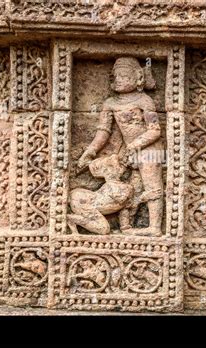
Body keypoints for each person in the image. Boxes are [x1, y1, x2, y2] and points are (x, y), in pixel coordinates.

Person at [77, 57, 164, 237]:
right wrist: (91, 151)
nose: (119, 79)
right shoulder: (110, 103)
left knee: (151, 184)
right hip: (130, 150)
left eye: (124, 76)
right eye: (115, 76)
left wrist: (134, 145)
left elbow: (154, 130)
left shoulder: (144, 100)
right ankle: (127, 227)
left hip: (149, 149)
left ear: (138, 78)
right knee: (131, 188)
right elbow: (104, 132)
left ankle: (155, 226)